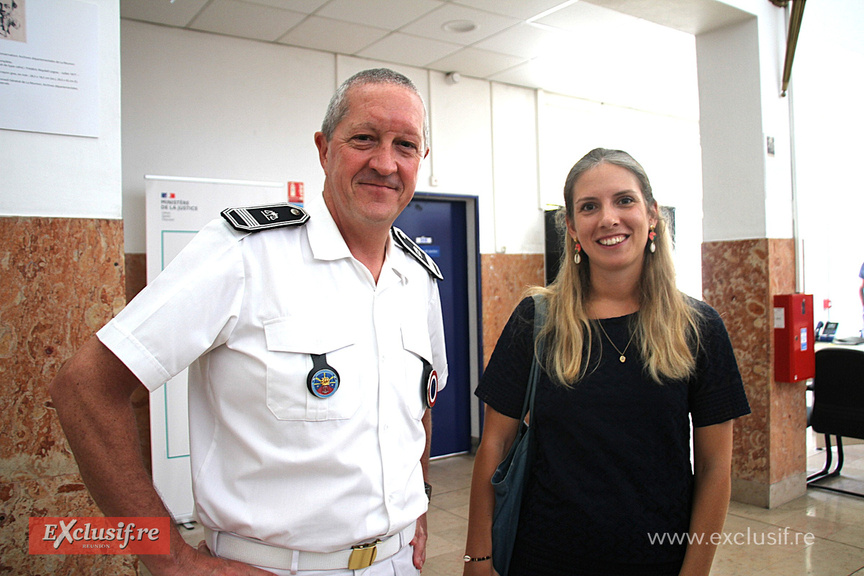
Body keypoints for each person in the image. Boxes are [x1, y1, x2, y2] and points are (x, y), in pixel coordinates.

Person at [49, 68, 448, 576]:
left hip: (398, 564)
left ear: (421, 161)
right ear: (324, 148)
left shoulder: (419, 277)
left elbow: (420, 406)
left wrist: (421, 505)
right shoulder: (244, 255)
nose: (385, 163)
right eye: (364, 139)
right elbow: (84, 388)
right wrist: (173, 563)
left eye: (405, 145)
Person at [463, 148, 750, 576]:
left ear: (652, 215)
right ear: (573, 228)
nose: (608, 218)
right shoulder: (537, 320)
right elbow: (495, 446)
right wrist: (478, 558)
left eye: (624, 200)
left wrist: (694, 572)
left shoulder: (699, 328)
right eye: (589, 207)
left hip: (658, 559)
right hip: (542, 559)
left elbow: (714, 469)